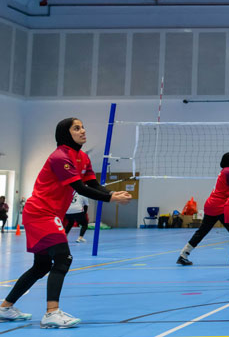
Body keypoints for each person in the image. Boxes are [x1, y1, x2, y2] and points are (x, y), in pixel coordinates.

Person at [0, 118, 131, 328]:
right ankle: (52, 313)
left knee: (41, 266)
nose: (83, 130)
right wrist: (111, 199)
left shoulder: (82, 157)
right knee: (63, 258)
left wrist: (111, 192)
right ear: (65, 133)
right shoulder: (60, 157)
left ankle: (5, 307)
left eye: (83, 127)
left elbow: (92, 183)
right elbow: (80, 188)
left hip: (51, 214)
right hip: (40, 213)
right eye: (76, 128)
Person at [177, 152, 229, 266]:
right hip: (220, 206)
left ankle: (183, 255)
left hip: (211, 205)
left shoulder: (226, 171)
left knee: (202, 232)